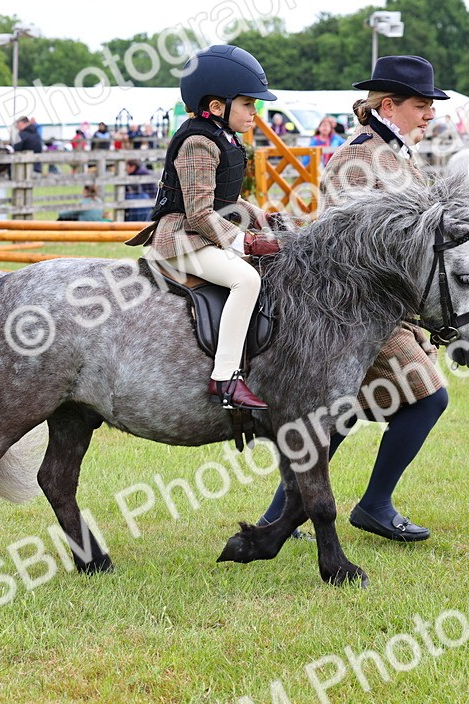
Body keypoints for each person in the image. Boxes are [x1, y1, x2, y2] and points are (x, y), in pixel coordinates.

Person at [256, 55, 452, 543]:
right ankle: (375, 505)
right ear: (390, 105)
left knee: (339, 412)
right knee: (428, 399)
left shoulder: (397, 153)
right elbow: (354, 244)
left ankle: (280, 514)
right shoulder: (355, 158)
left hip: (384, 309)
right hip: (354, 310)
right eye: (422, 105)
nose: (430, 115)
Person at [124, 44, 280, 411]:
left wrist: (263, 218)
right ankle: (225, 378)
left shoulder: (221, 137)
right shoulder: (197, 142)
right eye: (247, 104)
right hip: (181, 240)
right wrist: (247, 243)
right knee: (247, 280)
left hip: (201, 235)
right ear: (215, 106)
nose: (254, 113)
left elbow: (225, 198)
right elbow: (199, 213)